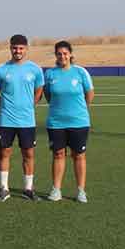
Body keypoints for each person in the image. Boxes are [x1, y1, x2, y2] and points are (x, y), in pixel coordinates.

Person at [0, 34, 45, 202]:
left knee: (28, 153)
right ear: (10, 48)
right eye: (15, 48)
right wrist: (6, 107)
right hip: (6, 120)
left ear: (26, 49)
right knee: (4, 152)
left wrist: (30, 105)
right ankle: (4, 188)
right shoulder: (1, 69)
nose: (18, 51)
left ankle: (28, 189)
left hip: (27, 121)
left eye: (21, 48)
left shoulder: (35, 69)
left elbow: (39, 90)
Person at [43, 41, 93, 203]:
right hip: (56, 122)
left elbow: (89, 94)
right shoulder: (50, 74)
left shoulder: (80, 72)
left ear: (70, 54)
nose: (62, 56)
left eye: (65, 53)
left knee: (78, 155)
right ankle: (56, 189)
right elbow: (48, 95)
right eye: (59, 53)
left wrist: (79, 110)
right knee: (58, 154)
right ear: (56, 55)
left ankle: (81, 191)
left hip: (79, 122)